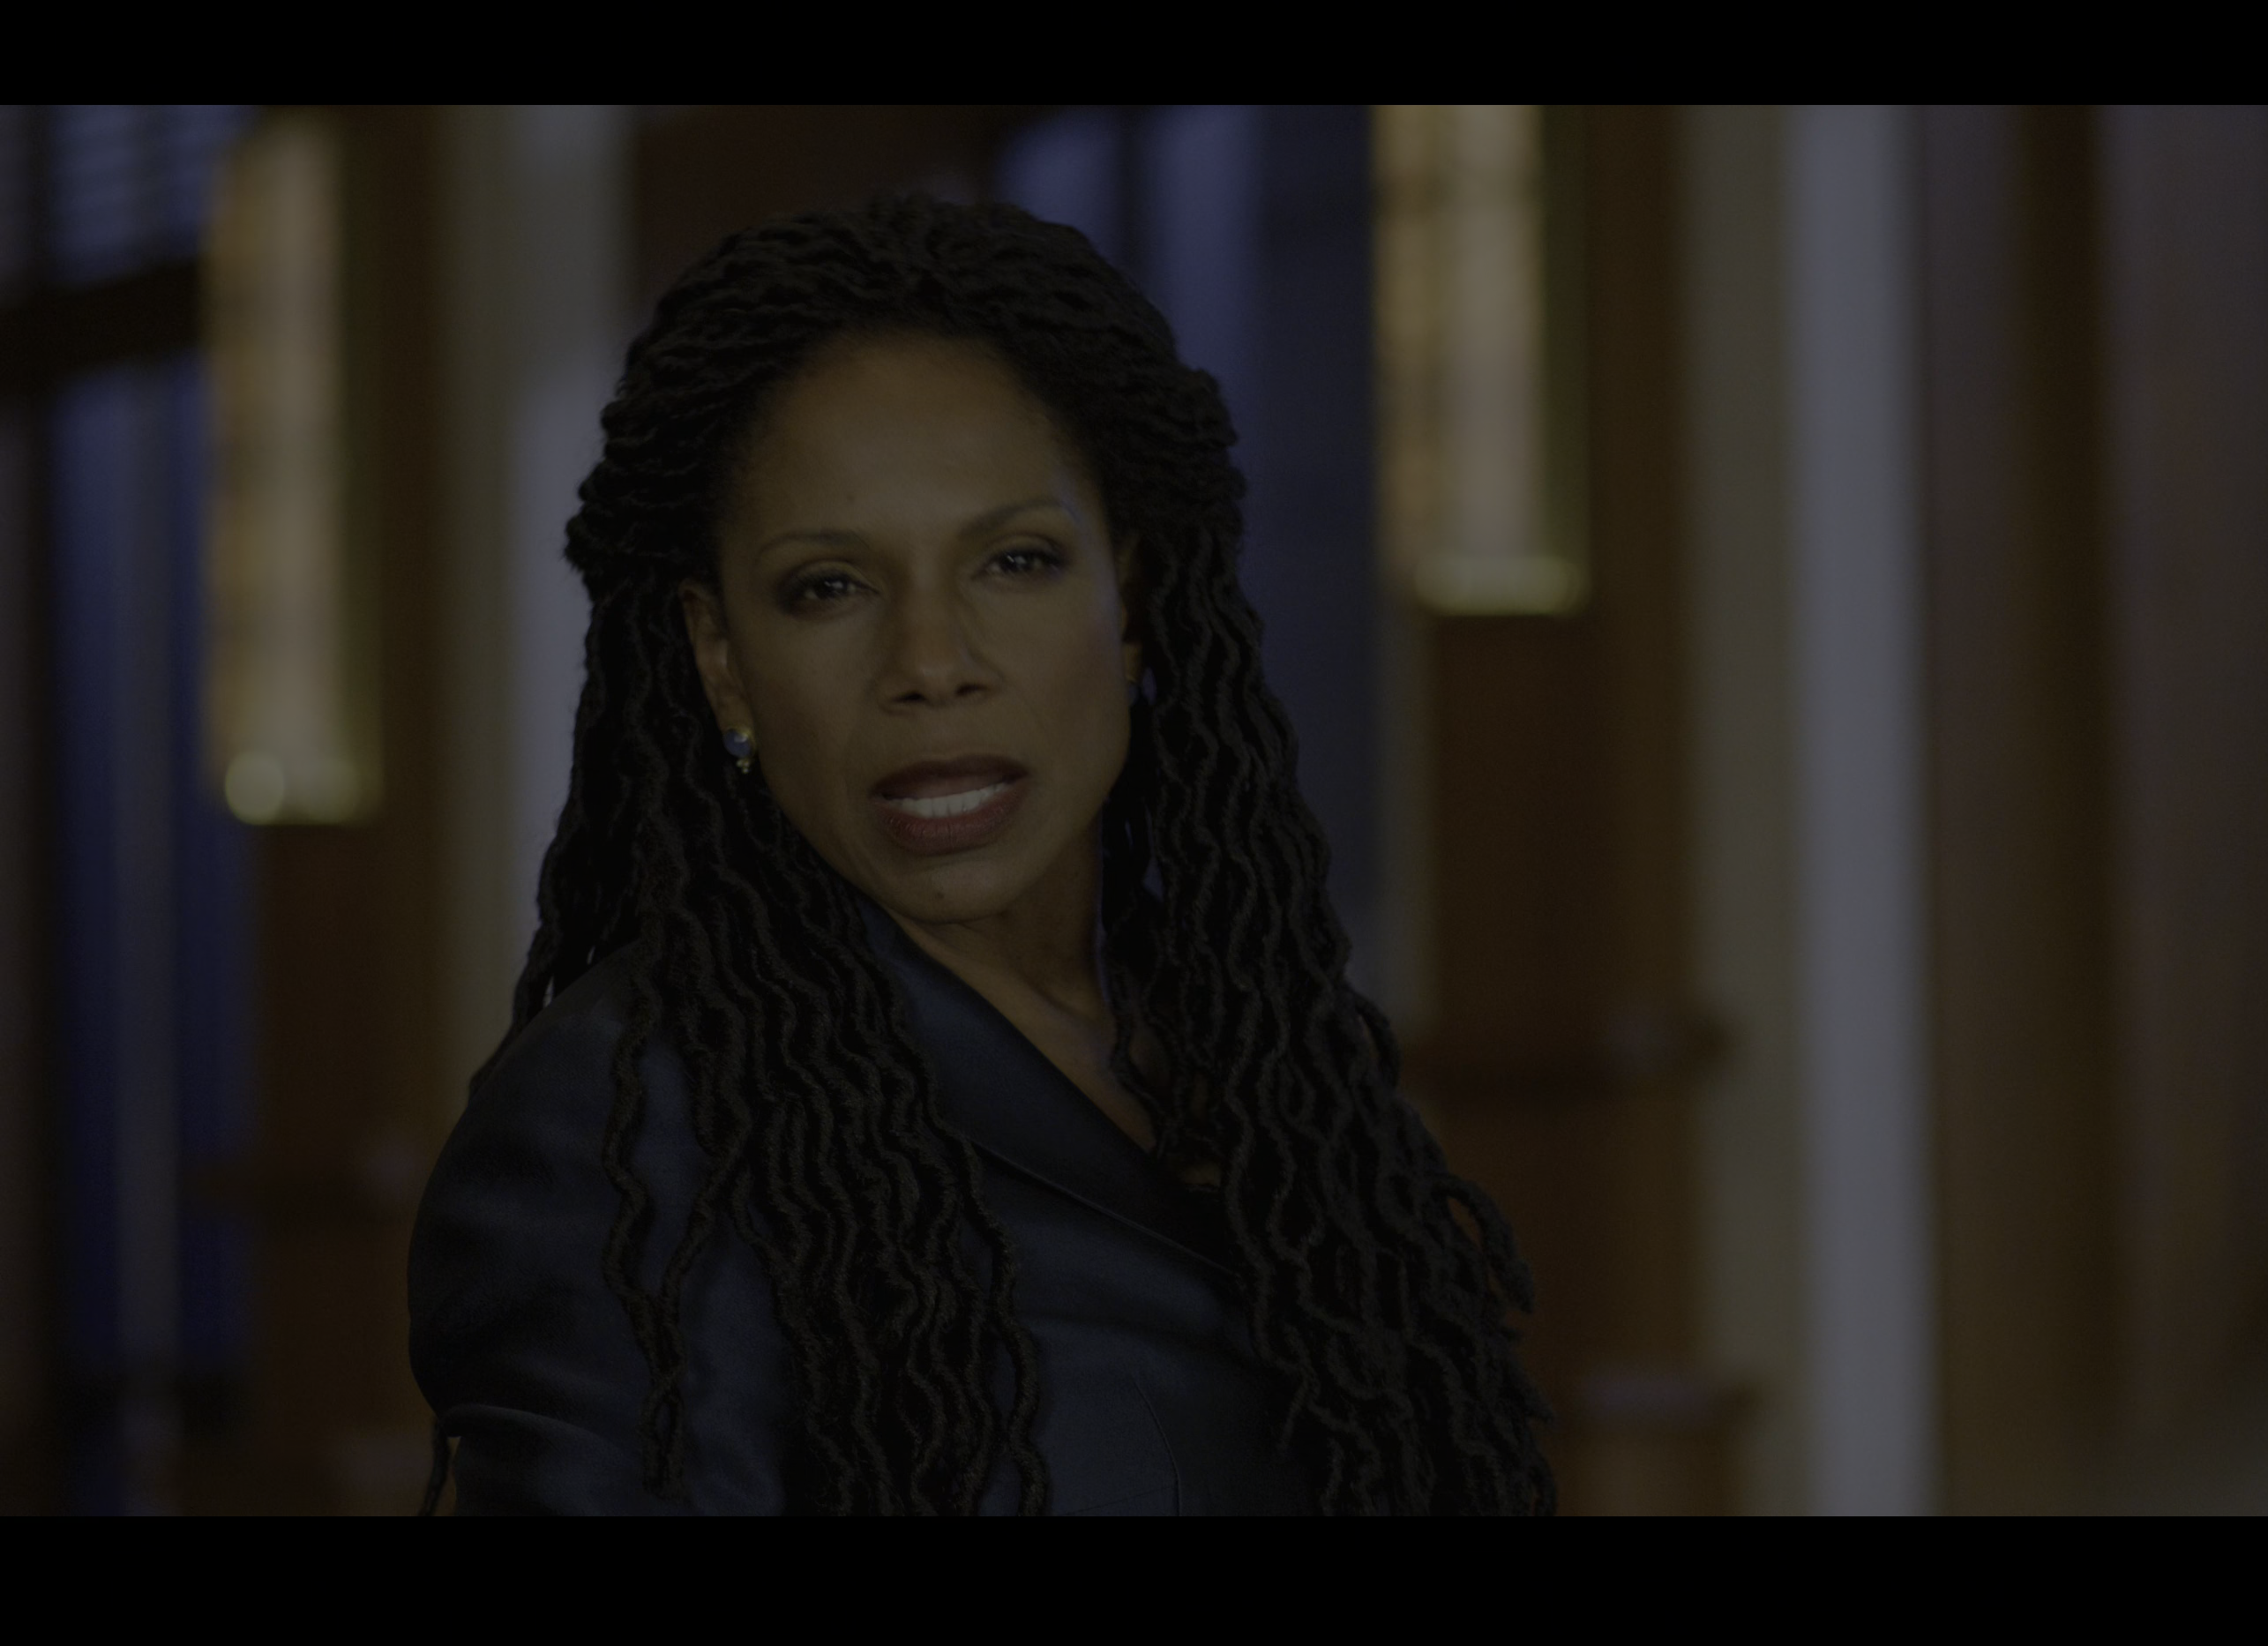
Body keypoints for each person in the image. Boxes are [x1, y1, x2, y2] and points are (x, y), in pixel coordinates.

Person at [409, 195, 1551, 1515]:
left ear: (1130, 602)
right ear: (721, 658)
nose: (933, 663)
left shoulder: (1262, 1073)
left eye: (1015, 561)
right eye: (830, 586)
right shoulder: (623, 1121)